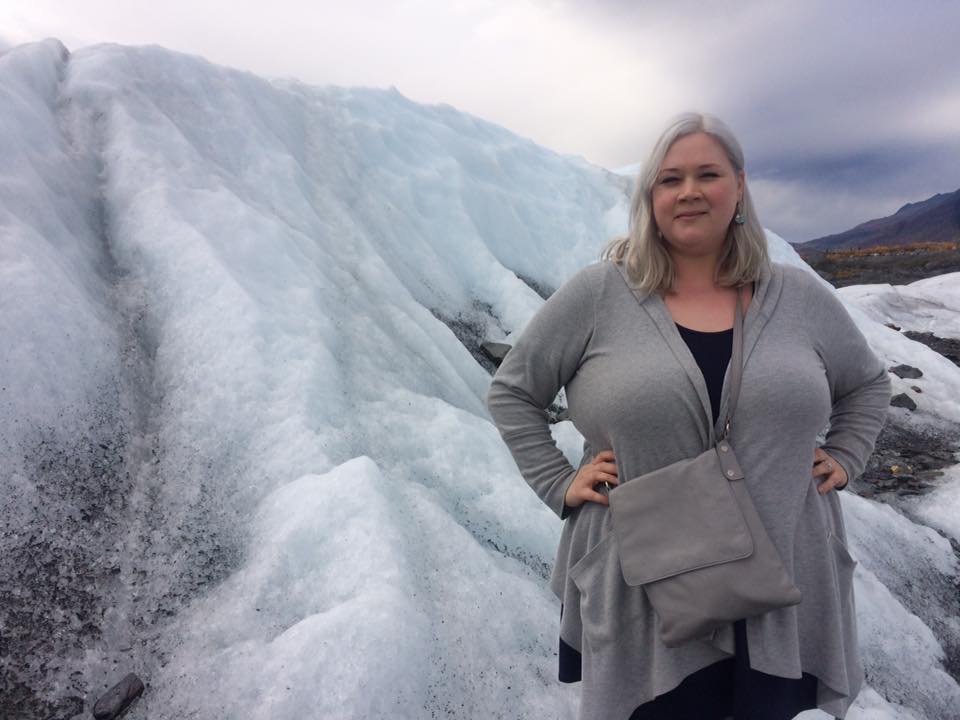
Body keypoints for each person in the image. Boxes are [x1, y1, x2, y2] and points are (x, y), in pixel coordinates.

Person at [486, 112, 890, 720]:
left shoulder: (799, 297)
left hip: (781, 572)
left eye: (708, 174)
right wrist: (556, 480)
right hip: (643, 583)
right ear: (650, 196)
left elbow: (867, 384)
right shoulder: (600, 295)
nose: (690, 191)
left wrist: (846, 452)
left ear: (739, 188)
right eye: (670, 179)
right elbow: (513, 391)